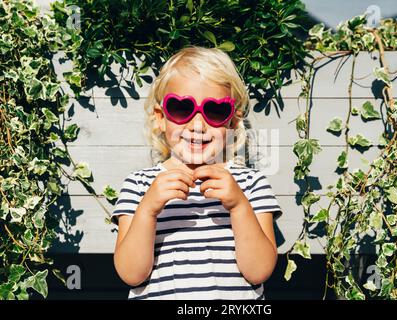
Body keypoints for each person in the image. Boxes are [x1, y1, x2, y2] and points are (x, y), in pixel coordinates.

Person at [111, 46, 282, 300]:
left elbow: (259, 271)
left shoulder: (250, 184)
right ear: (161, 118)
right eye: (181, 108)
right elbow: (131, 274)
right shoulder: (139, 185)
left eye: (215, 111)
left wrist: (239, 207)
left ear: (232, 122)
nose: (198, 126)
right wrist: (148, 209)